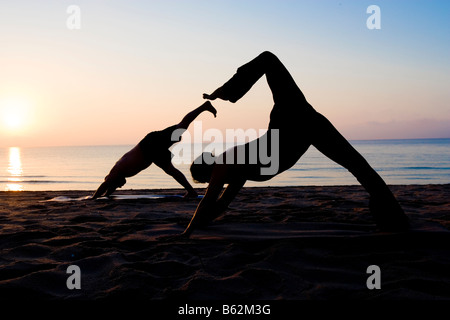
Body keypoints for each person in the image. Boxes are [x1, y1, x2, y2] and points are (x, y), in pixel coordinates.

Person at [182, 51, 409, 237]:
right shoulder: (236, 172)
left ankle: (227, 91)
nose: (213, 185)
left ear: (209, 172)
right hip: (305, 128)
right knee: (358, 166)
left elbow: (209, 202)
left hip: (287, 125)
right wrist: (203, 223)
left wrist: (188, 232)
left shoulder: (224, 164)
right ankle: (393, 218)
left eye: (208, 181)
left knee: (268, 59)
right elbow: (220, 205)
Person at [92, 101, 217, 199]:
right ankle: (191, 192)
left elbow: (106, 184)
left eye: (118, 185)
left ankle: (191, 192)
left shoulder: (117, 170)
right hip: (151, 148)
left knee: (171, 168)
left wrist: (94, 198)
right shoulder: (120, 172)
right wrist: (106, 196)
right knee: (181, 129)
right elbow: (110, 187)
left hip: (151, 146)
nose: (121, 186)